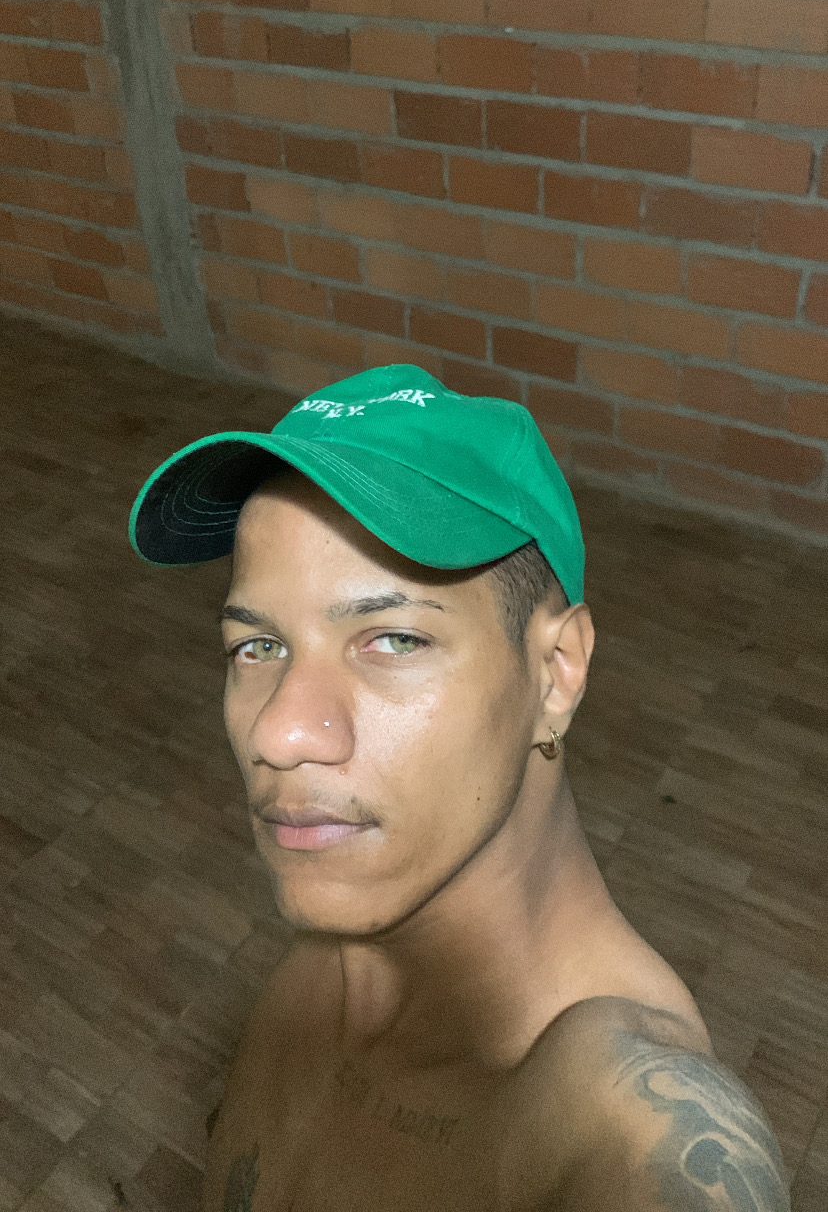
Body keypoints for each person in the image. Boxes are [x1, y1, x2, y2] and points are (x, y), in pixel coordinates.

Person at [130, 364, 789, 1212]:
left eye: (394, 639)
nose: (278, 732)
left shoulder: (622, 1126)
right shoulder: (330, 958)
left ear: (557, 671)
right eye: (257, 647)